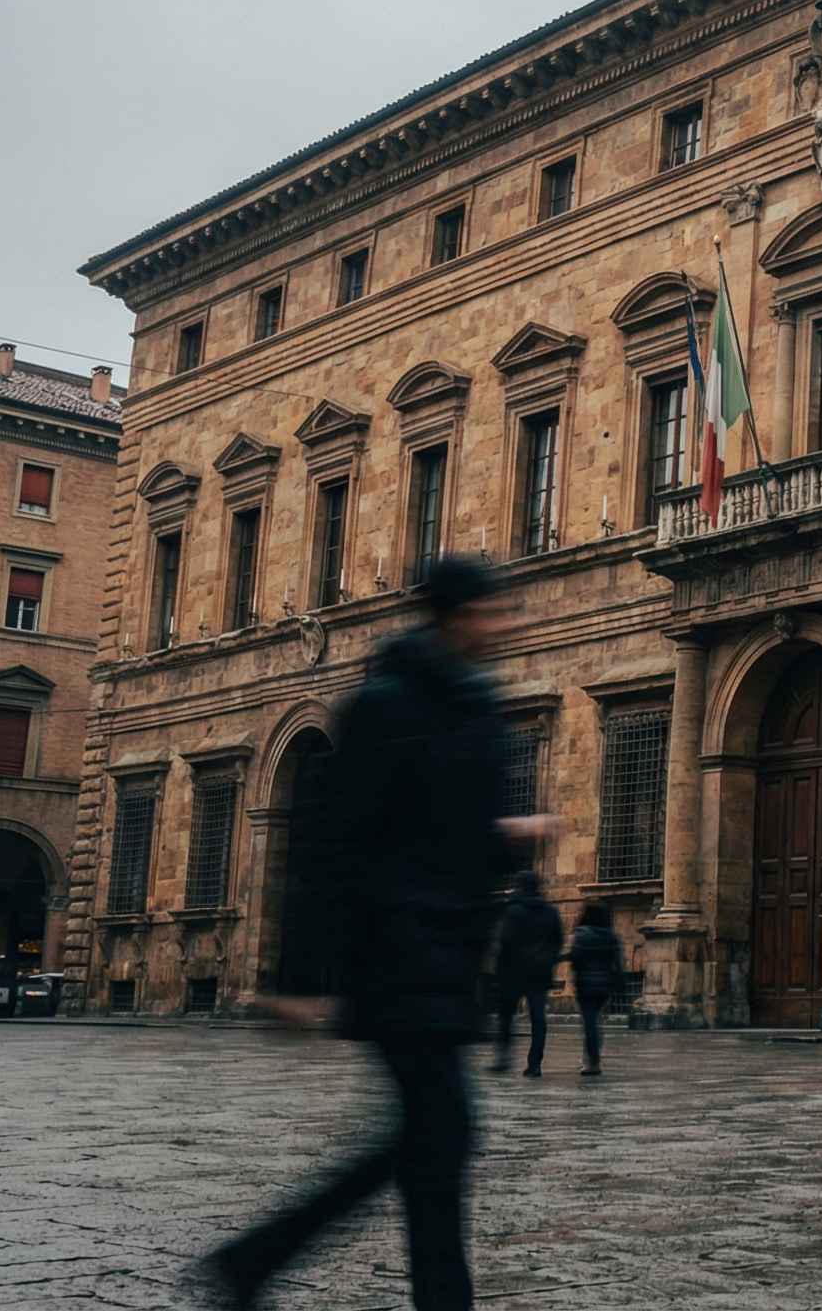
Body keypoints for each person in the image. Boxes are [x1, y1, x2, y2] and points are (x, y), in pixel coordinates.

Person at [199, 556, 553, 1311]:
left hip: (449, 955)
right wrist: (299, 979)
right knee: (441, 1136)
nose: (505, 625)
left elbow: (448, 834)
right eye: (491, 613)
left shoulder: (476, 705)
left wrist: (507, 836)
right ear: (450, 618)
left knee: (431, 1142)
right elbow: (334, 843)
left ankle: (257, 1259)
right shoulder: (388, 705)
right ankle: (268, 1260)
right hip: (396, 952)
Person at [488, 872, 563, 1078]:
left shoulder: (513, 910)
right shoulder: (551, 912)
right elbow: (558, 940)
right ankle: (535, 1064)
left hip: (513, 972)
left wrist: (499, 969)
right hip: (539, 972)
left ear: (521, 887)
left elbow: (507, 940)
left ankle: (503, 1059)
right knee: (538, 1019)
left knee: (506, 1016)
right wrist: (547, 960)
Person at [566, 901, 621, 1077]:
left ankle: (594, 1062)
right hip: (604, 985)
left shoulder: (583, 934)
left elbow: (576, 957)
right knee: (595, 1021)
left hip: (586, 984)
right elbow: (618, 962)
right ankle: (589, 1058)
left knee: (590, 1022)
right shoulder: (611, 936)